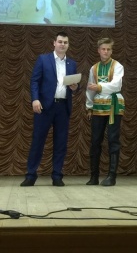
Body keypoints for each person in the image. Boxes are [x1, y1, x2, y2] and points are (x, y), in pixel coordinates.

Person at [21, 31, 80, 187]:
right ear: (54, 43)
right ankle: (31, 175)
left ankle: (57, 176)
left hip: (63, 107)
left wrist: (75, 87)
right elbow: (34, 81)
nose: (62, 44)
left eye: (65, 42)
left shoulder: (72, 64)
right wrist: (35, 99)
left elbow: (75, 86)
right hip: (44, 107)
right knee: (38, 141)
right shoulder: (43, 59)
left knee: (61, 143)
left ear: (68, 45)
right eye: (60, 42)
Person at [85, 38, 125, 186]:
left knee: (113, 140)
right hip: (98, 107)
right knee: (95, 141)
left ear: (111, 51)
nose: (106, 52)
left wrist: (100, 87)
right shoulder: (93, 68)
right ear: (98, 50)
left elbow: (116, 85)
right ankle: (94, 176)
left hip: (114, 105)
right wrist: (89, 107)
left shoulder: (117, 66)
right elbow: (90, 88)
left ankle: (111, 176)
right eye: (103, 49)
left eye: (108, 49)